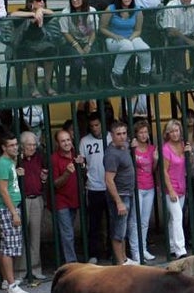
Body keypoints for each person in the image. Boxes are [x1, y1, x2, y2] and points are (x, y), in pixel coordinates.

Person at [0, 134, 30, 293]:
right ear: (3, 147)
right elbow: (3, 190)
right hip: (8, 208)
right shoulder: (3, 164)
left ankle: (6, 280)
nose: (15, 147)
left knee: (4, 246)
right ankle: (11, 284)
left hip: (9, 207)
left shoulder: (8, 162)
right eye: (11, 145)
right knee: (10, 248)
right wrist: (14, 213)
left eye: (16, 144)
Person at [100, 0, 152, 89]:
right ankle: (116, 74)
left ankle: (144, 75)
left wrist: (131, 38)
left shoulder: (137, 9)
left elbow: (138, 30)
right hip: (113, 39)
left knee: (145, 48)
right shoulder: (111, 9)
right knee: (127, 46)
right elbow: (102, 28)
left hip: (131, 37)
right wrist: (114, 35)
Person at [103, 120, 138, 268]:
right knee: (118, 231)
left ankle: (124, 258)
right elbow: (109, 180)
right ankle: (120, 262)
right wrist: (118, 202)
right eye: (118, 134)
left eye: (124, 133)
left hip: (128, 193)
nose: (122, 137)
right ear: (111, 135)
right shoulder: (111, 154)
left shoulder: (123, 147)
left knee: (123, 230)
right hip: (121, 195)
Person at [16, 131, 49, 281]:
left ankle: (35, 268)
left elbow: (44, 175)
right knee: (21, 236)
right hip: (22, 200)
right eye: (29, 145)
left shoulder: (39, 157)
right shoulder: (17, 159)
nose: (32, 147)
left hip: (36, 199)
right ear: (22, 146)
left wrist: (43, 179)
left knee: (35, 235)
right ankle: (21, 271)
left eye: (34, 144)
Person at [13, 0, 58, 97]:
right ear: (30, 2)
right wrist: (33, 14)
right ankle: (32, 87)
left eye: (44, 0)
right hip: (23, 45)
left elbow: (52, 13)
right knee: (30, 53)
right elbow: (13, 14)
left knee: (51, 50)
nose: (42, 2)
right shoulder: (23, 11)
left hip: (40, 44)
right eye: (39, 0)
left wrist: (41, 11)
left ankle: (47, 84)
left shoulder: (44, 14)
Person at [78, 114, 108, 263]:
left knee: (113, 222)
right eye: (92, 126)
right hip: (94, 187)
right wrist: (81, 165)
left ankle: (111, 251)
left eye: (97, 125)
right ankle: (94, 254)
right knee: (94, 224)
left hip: (110, 186)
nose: (95, 128)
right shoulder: (84, 141)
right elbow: (82, 163)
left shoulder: (110, 137)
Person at [50, 128, 81, 266]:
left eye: (68, 139)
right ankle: (71, 263)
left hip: (75, 198)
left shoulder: (76, 154)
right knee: (67, 234)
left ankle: (69, 259)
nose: (66, 143)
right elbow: (55, 184)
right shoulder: (54, 158)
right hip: (61, 200)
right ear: (57, 143)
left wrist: (83, 165)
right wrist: (67, 173)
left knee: (68, 232)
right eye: (63, 141)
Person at [60, 0, 98, 91]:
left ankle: (92, 82)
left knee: (97, 60)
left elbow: (94, 31)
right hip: (71, 42)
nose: (74, 0)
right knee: (77, 60)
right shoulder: (66, 12)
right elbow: (65, 32)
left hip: (88, 41)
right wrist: (76, 46)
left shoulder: (92, 11)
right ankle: (75, 84)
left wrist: (89, 45)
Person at [130, 120, 158, 261]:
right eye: (141, 132)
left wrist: (156, 160)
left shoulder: (152, 148)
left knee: (145, 221)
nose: (143, 135)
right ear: (136, 134)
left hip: (149, 187)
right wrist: (132, 151)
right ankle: (136, 251)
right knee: (136, 220)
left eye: (146, 132)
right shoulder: (133, 148)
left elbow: (152, 170)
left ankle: (143, 248)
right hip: (137, 187)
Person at [162, 119, 189, 259]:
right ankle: (180, 250)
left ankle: (172, 245)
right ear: (167, 133)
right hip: (171, 188)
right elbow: (164, 171)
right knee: (178, 217)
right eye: (171, 131)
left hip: (182, 186)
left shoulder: (184, 145)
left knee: (174, 218)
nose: (174, 134)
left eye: (176, 130)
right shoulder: (166, 148)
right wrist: (170, 190)